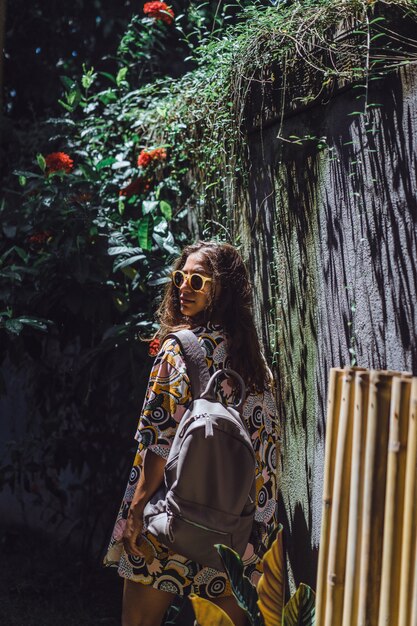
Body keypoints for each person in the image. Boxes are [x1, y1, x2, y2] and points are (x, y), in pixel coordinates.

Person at [103, 241, 279, 626]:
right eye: (180, 277)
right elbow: (267, 454)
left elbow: (157, 439)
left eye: (198, 280)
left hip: (170, 514)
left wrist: (136, 512)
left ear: (223, 289)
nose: (184, 286)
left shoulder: (178, 350)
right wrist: (255, 535)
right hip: (233, 529)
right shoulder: (254, 363)